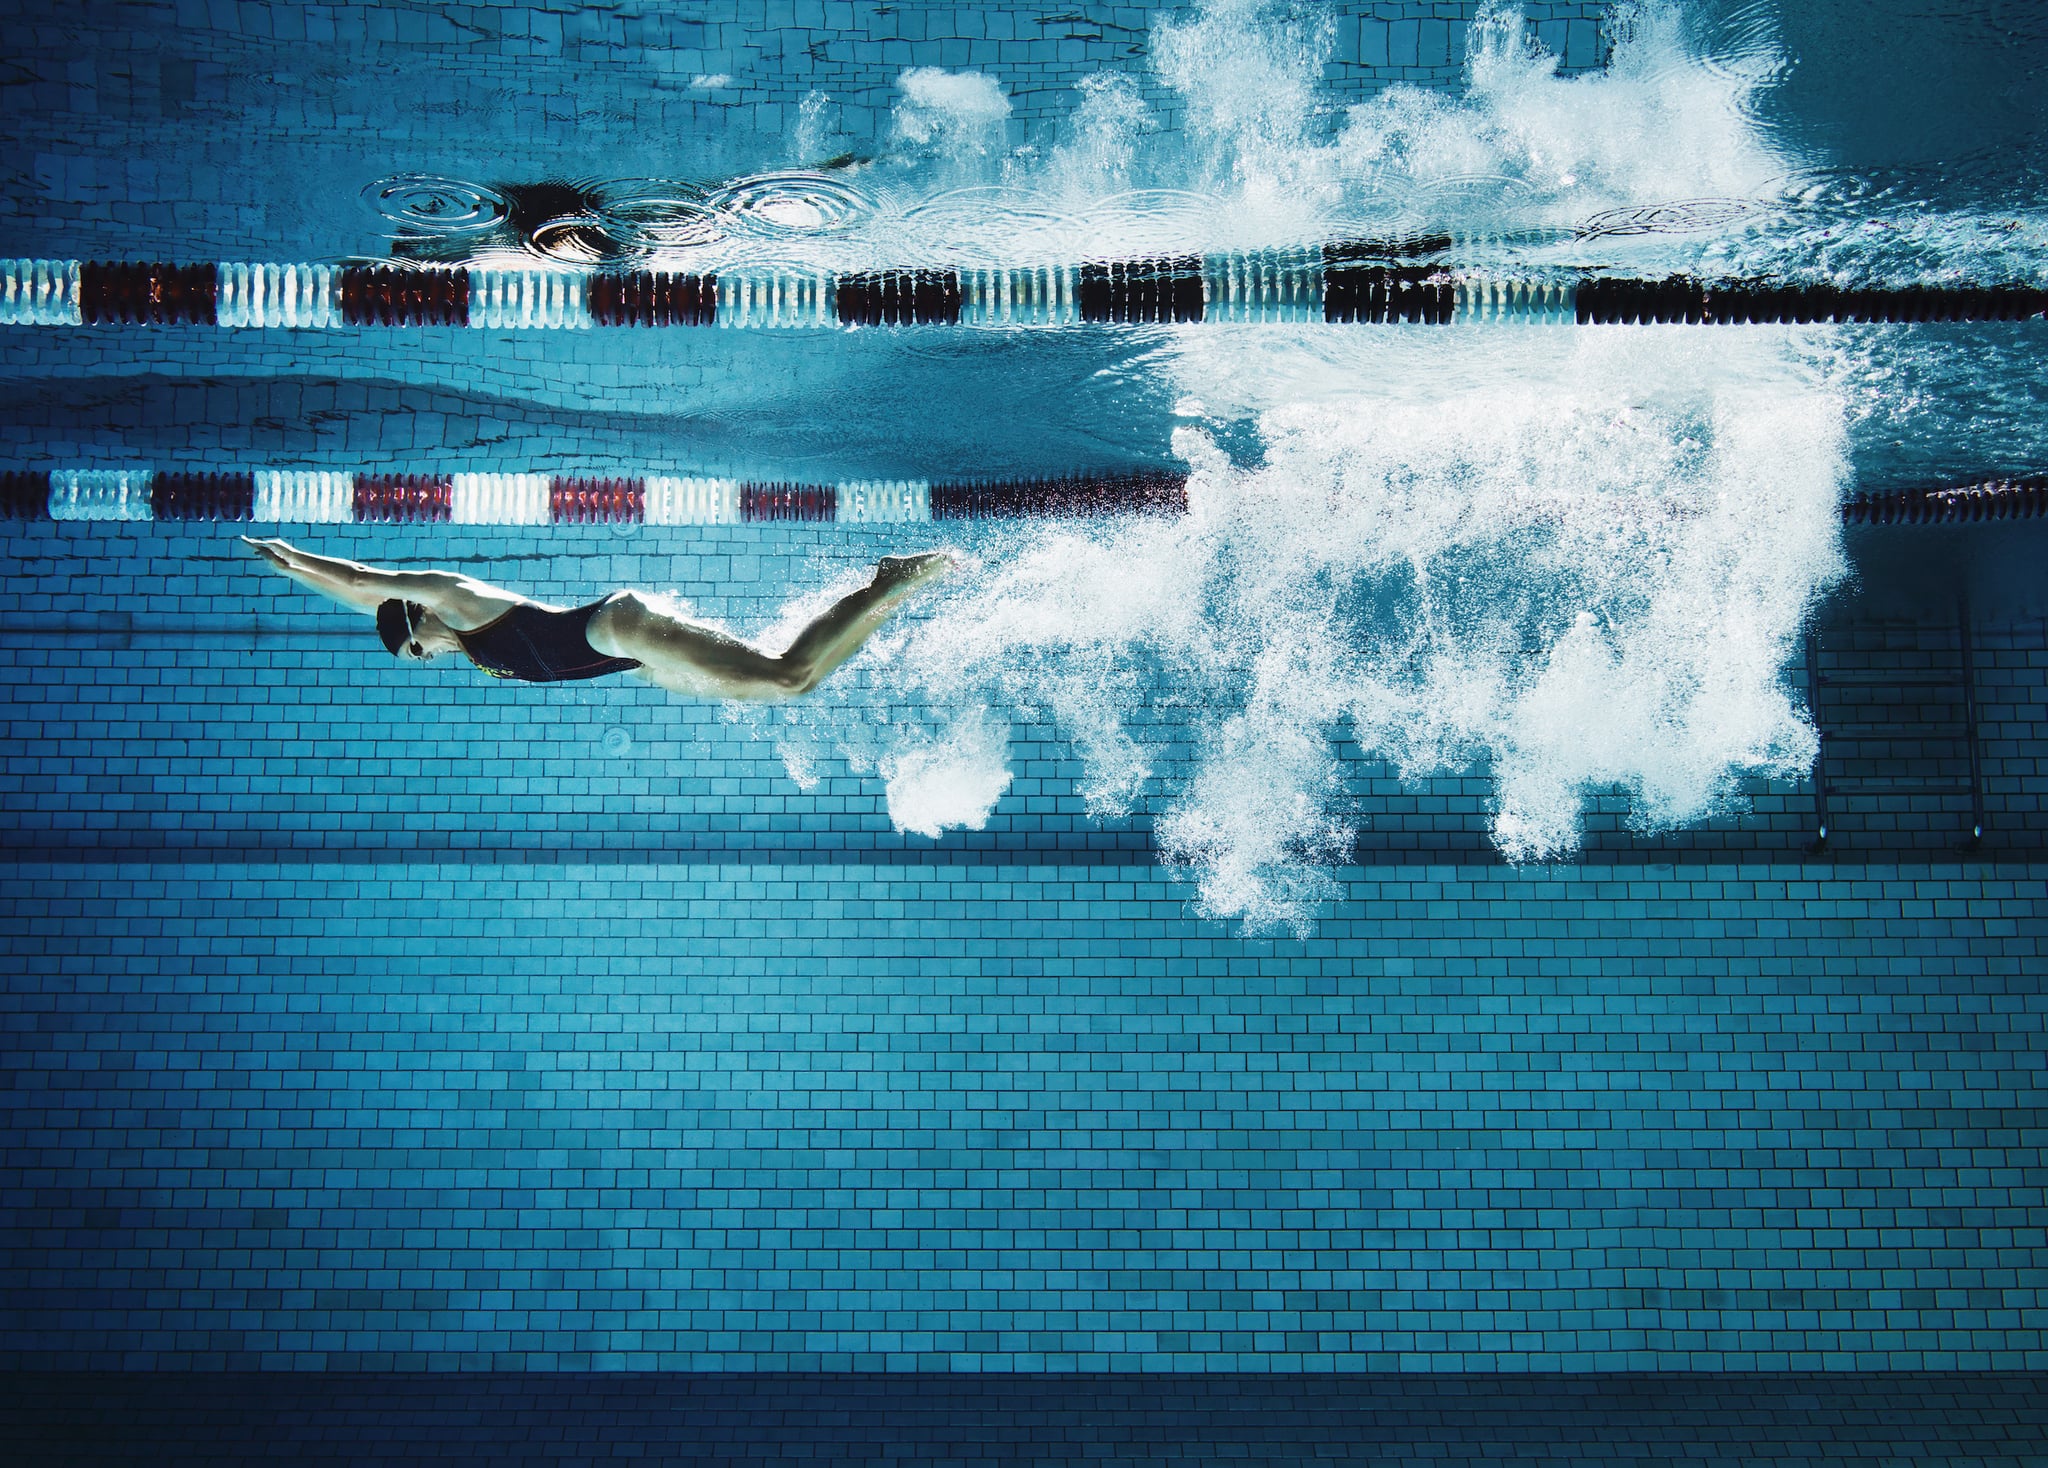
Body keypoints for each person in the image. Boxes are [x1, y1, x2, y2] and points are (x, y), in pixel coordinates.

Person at [241, 536, 953, 700]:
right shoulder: (480, 653)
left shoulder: (456, 601)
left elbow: (368, 582)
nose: (427, 658)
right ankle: (881, 598)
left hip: (621, 629)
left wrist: (298, 565)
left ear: (415, 618)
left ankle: (887, 586)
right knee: (790, 687)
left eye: (415, 651)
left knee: (786, 676)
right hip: (636, 658)